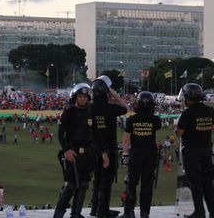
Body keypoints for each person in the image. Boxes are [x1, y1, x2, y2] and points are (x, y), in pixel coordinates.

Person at [53, 83, 103, 218]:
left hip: (88, 154)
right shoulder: (69, 112)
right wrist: (66, 150)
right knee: (71, 185)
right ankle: (58, 214)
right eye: (80, 96)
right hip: (73, 152)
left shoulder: (91, 112)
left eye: (85, 96)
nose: (82, 99)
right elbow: (60, 133)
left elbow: (97, 133)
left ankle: (76, 214)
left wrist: (103, 153)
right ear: (75, 97)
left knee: (84, 184)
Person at [176, 83, 214, 218]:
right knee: (208, 183)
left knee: (196, 183)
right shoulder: (209, 110)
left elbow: (179, 133)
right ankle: (213, 213)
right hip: (206, 149)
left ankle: (199, 212)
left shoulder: (187, 113)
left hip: (192, 152)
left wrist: (177, 129)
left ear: (187, 97)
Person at [90, 75, 128, 218]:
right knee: (106, 181)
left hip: (94, 149)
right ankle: (103, 211)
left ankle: (95, 209)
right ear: (106, 92)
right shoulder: (110, 108)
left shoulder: (89, 108)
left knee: (97, 179)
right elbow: (126, 107)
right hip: (109, 148)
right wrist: (113, 93)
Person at [119, 92, 161, 218]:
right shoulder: (156, 120)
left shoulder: (131, 120)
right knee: (147, 185)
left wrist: (125, 155)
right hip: (150, 154)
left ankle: (129, 212)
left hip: (136, 154)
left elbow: (126, 140)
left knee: (131, 184)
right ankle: (144, 213)